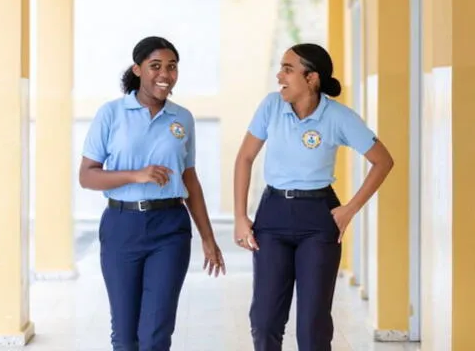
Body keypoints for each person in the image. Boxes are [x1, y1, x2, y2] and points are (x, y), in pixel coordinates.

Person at [233, 43, 394, 351]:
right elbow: (244, 158)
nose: (279, 75)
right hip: (273, 214)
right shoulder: (270, 106)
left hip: (319, 217)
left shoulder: (339, 117)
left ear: (312, 79)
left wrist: (349, 209)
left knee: (312, 325)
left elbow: (383, 161)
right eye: (281, 67)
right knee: (265, 319)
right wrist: (241, 217)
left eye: (288, 69)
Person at [79, 36, 226, 351]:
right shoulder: (111, 114)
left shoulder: (182, 118)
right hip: (121, 226)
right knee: (125, 333)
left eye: (172, 67)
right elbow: (87, 176)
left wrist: (208, 238)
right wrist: (137, 174)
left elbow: (190, 179)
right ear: (138, 69)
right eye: (155, 66)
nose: (165, 74)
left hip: (169, 229)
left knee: (156, 334)